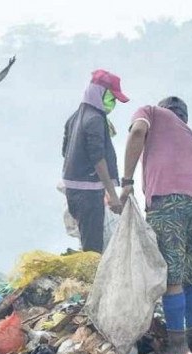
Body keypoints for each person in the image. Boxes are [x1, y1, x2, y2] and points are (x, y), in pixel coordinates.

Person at [120, 96, 192, 354]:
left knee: (171, 276)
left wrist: (127, 181)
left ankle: (177, 345)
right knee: (190, 275)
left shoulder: (151, 111)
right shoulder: (191, 137)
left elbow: (137, 131)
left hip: (170, 200)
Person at [62, 69, 129, 253]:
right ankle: (92, 280)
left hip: (74, 191)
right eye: (111, 97)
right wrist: (112, 195)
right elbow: (98, 159)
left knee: (88, 242)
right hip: (89, 194)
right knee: (93, 250)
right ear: (99, 93)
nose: (113, 103)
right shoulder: (95, 120)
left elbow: (64, 152)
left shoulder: (74, 118)